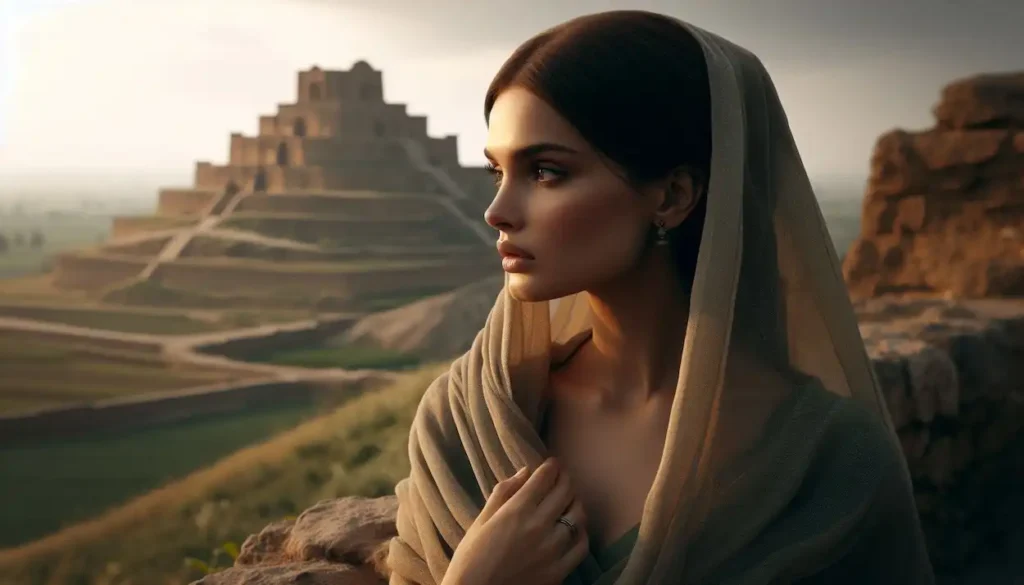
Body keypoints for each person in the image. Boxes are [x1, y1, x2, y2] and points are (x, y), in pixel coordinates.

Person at [384, 10, 935, 585]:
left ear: (672, 195)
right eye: (497, 170)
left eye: (546, 172)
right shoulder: (467, 419)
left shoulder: (833, 464)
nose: (497, 212)